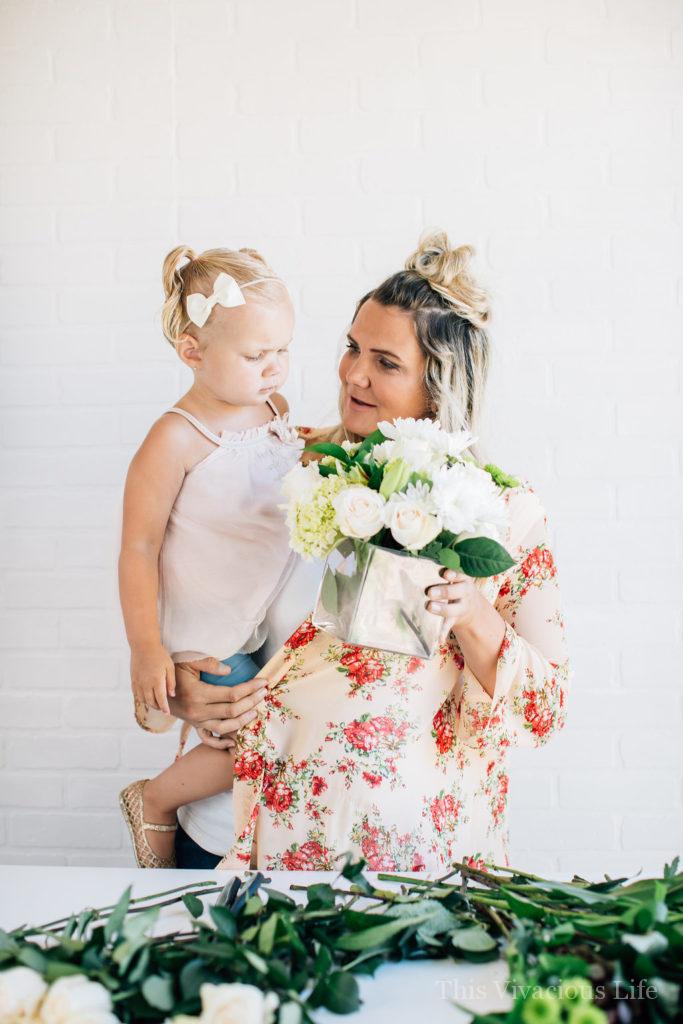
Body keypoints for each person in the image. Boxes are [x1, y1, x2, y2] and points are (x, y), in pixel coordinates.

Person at [136, 230, 570, 872]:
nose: (352, 374)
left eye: (386, 362)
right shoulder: (282, 457)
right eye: (351, 347)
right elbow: (182, 567)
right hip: (232, 837)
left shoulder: (502, 516)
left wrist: (474, 613)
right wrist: (179, 683)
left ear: (440, 383)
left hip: (404, 869)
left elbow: (546, 709)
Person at [118, 244, 303, 868]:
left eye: (282, 350)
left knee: (278, 728)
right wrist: (146, 648)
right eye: (257, 355)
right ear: (192, 352)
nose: (275, 367)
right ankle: (155, 800)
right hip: (206, 628)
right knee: (249, 735)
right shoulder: (176, 437)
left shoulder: (273, 408)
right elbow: (138, 548)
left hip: (258, 611)